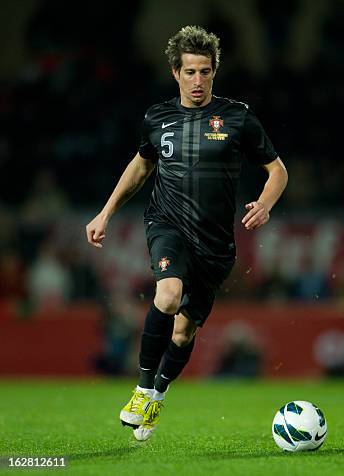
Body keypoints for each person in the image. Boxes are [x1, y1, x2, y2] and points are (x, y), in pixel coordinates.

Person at [86, 26, 288, 441]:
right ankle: (142, 390)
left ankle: (158, 394)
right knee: (168, 294)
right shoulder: (157, 118)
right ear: (175, 72)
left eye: (206, 72)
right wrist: (105, 213)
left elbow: (278, 171)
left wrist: (265, 204)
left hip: (214, 245)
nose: (198, 81)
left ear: (214, 72)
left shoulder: (238, 117)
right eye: (191, 71)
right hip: (167, 224)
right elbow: (141, 166)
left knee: (183, 330)